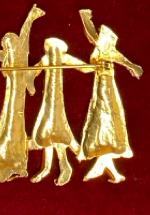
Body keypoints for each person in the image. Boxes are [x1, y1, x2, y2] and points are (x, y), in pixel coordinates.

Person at [78, 10, 142, 184]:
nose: (97, 37)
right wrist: (85, 18)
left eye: (101, 34)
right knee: (103, 118)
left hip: (106, 87)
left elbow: (123, 60)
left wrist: (133, 67)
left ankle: (102, 168)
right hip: (101, 85)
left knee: (105, 116)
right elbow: (92, 36)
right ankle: (109, 170)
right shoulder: (103, 49)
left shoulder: (108, 50)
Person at [0, 6, 45, 183]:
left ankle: (14, 162)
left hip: (18, 101)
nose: (9, 45)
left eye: (11, 41)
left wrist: (31, 17)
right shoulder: (6, 57)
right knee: (8, 126)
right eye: (7, 43)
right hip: (10, 100)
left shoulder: (21, 54)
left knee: (14, 127)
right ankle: (8, 163)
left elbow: (25, 33)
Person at [30, 38, 86, 186]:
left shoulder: (63, 57)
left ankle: (62, 166)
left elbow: (81, 66)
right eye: (50, 47)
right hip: (49, 101)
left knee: (56, 132)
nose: (53, 50)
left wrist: (96, 67)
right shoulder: (46, 59)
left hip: (56, 102)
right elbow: (34, 71)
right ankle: (48, 168)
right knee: (47, 134)